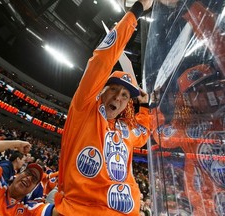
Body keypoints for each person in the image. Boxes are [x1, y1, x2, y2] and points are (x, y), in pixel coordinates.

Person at [55, 0, 153, 215]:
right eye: (114, 89)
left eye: (125, 95)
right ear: (101, 90)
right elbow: (101, 61)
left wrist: (144, 107)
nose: (118, 96)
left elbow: (144, 132)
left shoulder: (125, 132)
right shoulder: (85, 110)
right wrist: (136, 11)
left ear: (127, 104)